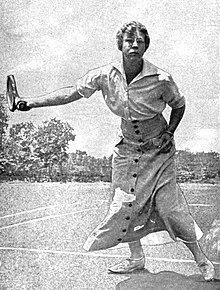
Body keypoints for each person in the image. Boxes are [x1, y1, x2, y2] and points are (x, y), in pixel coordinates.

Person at [7, 21, 215, 281]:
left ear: (146, 46)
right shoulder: (105, 76)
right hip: (127, 151)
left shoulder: (161, 79)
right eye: (129, 41)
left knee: (171, 208)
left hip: (158, 152)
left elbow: (179, 105)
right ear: (121, 45)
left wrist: (170, 132)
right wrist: (30, 103)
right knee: (124, 207)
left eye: (140, 41)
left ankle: (202, 261)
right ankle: (136, 258)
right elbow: (70, 93)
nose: (135, 45)